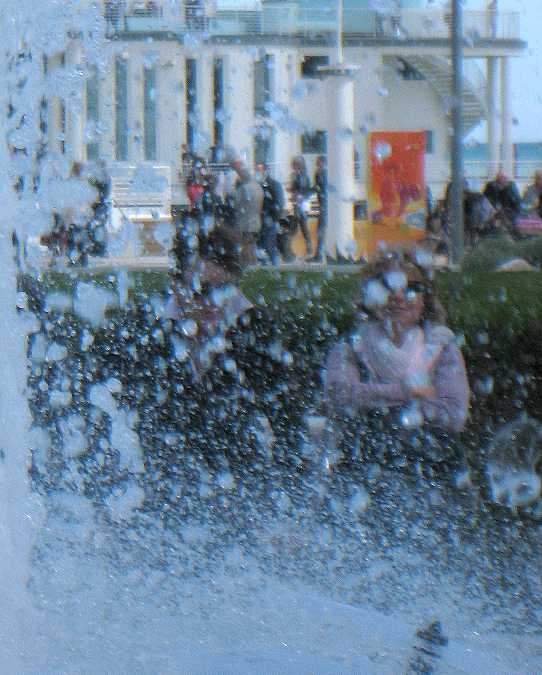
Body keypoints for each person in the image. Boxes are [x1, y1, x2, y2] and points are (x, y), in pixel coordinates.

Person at [110, 225, 312, 514]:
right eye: (202, 290)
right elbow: (120, 411)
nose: (214, 302)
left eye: (225, 290)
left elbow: (286, 418)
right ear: (176, 284)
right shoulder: (144, 330)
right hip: (156, 488)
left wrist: (291, 506)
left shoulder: (254, 328)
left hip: (237, 485)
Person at [322, 255, 470, 512]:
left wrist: (375, 401)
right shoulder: (350, 347)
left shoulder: (442, 346)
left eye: (412, 288)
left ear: (425, 299)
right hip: (363, 468)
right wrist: (408, 392)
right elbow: (340, 396)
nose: (399, 296)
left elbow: (454, 414)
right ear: (370, 296)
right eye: (388, 286)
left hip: (434, 469)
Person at [229, 155, 262, 264]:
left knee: (246, 248)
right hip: (256, 221)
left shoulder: (244, 188)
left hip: (245, 222)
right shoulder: (258, 186)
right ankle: (254, 265)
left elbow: (238, 205)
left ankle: (248, 267)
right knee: (252, 246)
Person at [255, 161, 285, 264]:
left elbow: (279, 203)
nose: (258, 172)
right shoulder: (257, 185)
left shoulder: (273, 185)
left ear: (265, 171)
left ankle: (274, 268)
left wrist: (275, 219)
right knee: (260, 247)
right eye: (256, 170)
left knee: (269, 246)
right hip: (259, 221)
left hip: (270, 220)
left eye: (260, 169)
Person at [483, 168, 522, 238]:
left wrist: (508, 189)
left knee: (515, 220)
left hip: (509, 211)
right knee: (503, 219)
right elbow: (490, 201)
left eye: (506, 178)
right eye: (503, 178)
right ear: (498, 179)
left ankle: (517, 236)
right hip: (495, 211)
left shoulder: (511, 186)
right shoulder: (491, 186)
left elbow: (517, 200)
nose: (505, 180)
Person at [289, 155, 314, 258]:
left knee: (298, 227)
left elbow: (303, 188)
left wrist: (299, 195)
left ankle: (288, 248)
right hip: (298, 203)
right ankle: (308, 249)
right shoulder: (299, 174)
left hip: (301, 204)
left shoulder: (301, 175)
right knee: (299, 227)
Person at [311, 154, 328, 262]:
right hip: (323, 204)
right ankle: (319, 253)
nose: (316, 164)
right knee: (320, 229)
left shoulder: (324, 174)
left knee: (321, 229)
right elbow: (316, 188)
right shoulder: (319, 174)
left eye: (318, 162)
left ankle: (319, 254)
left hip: (325, 205)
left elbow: (319, 188)